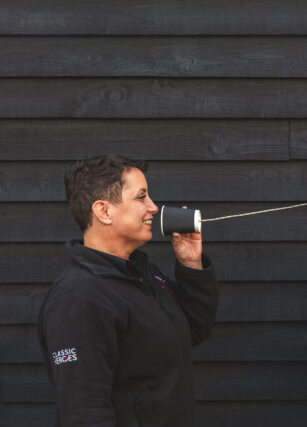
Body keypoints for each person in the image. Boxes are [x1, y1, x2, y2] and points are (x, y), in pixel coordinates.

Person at [38, 155, 218, 426]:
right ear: (104, 211)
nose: (154, 208)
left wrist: (191, 263)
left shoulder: (142, 274)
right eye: (141, 197)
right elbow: (85, 414)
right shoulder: (78, 299)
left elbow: (193, 328)